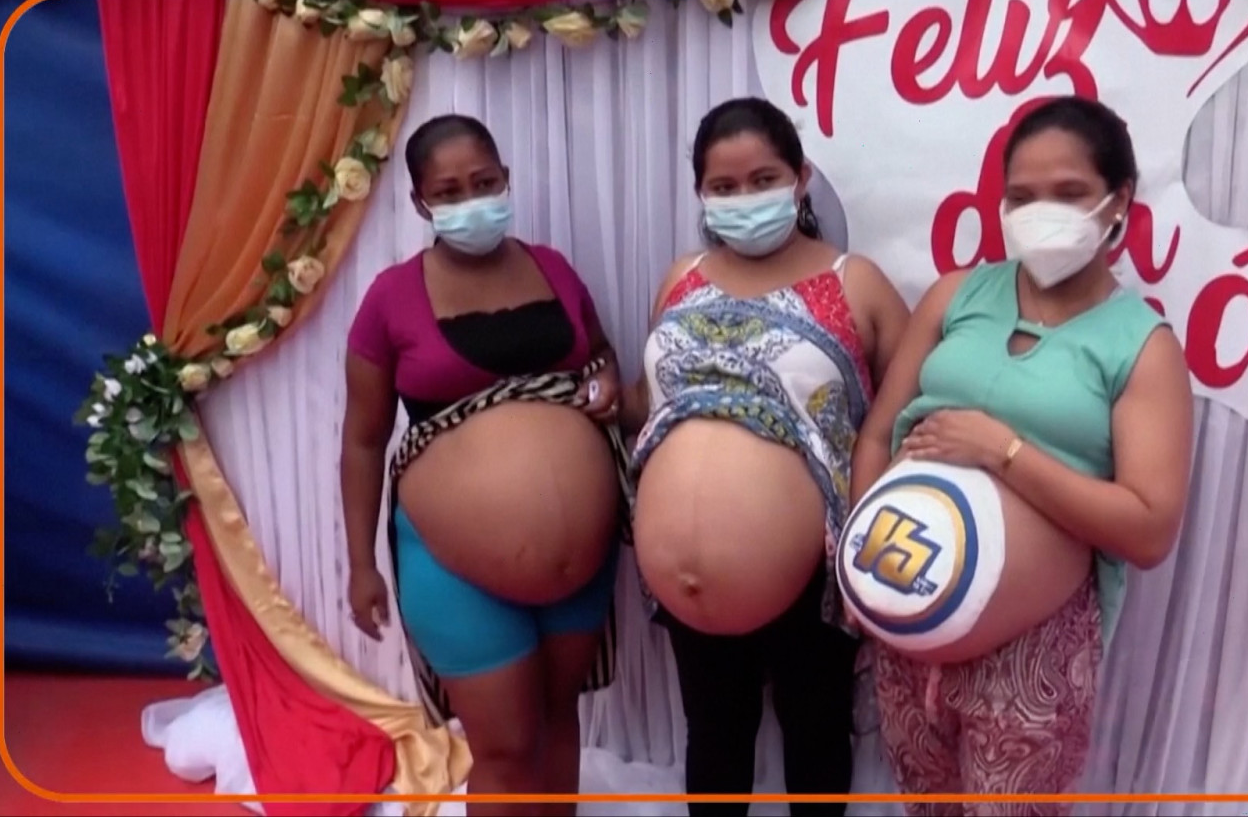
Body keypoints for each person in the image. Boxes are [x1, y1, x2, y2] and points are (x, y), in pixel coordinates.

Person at [848, 96, 1195, 815]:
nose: (1042, 213)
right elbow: (878, 433)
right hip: (906, 627)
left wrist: (1002, 451)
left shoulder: (1141, 347)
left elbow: (1149, 529)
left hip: (1032, 655)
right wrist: (861, 571)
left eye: (1068, 193)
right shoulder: (956, 296)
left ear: (1119, 199)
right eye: (1023, 196)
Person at [620, 97, 911, 816]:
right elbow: (650, 401)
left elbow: (909, 416)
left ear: (800, 177)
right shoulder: (681, 277)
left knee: (815, 735)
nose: (744, 198)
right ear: (700, 193)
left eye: (762, 179)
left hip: (812, 575)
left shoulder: (855, 281)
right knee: (714, 737)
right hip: (682, 586)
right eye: (723, 186)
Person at [340, 114, 629, 817]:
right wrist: (360, 563)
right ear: (420, 203)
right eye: (450, 192)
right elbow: (364, 439)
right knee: (504, 749)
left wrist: (606, 381)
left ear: (506, 179)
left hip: (581, 566)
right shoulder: (391, 298)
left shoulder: (552, 268)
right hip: (455, 565)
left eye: (484, 182)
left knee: (558, 723)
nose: (472, 201)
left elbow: (600, 354)